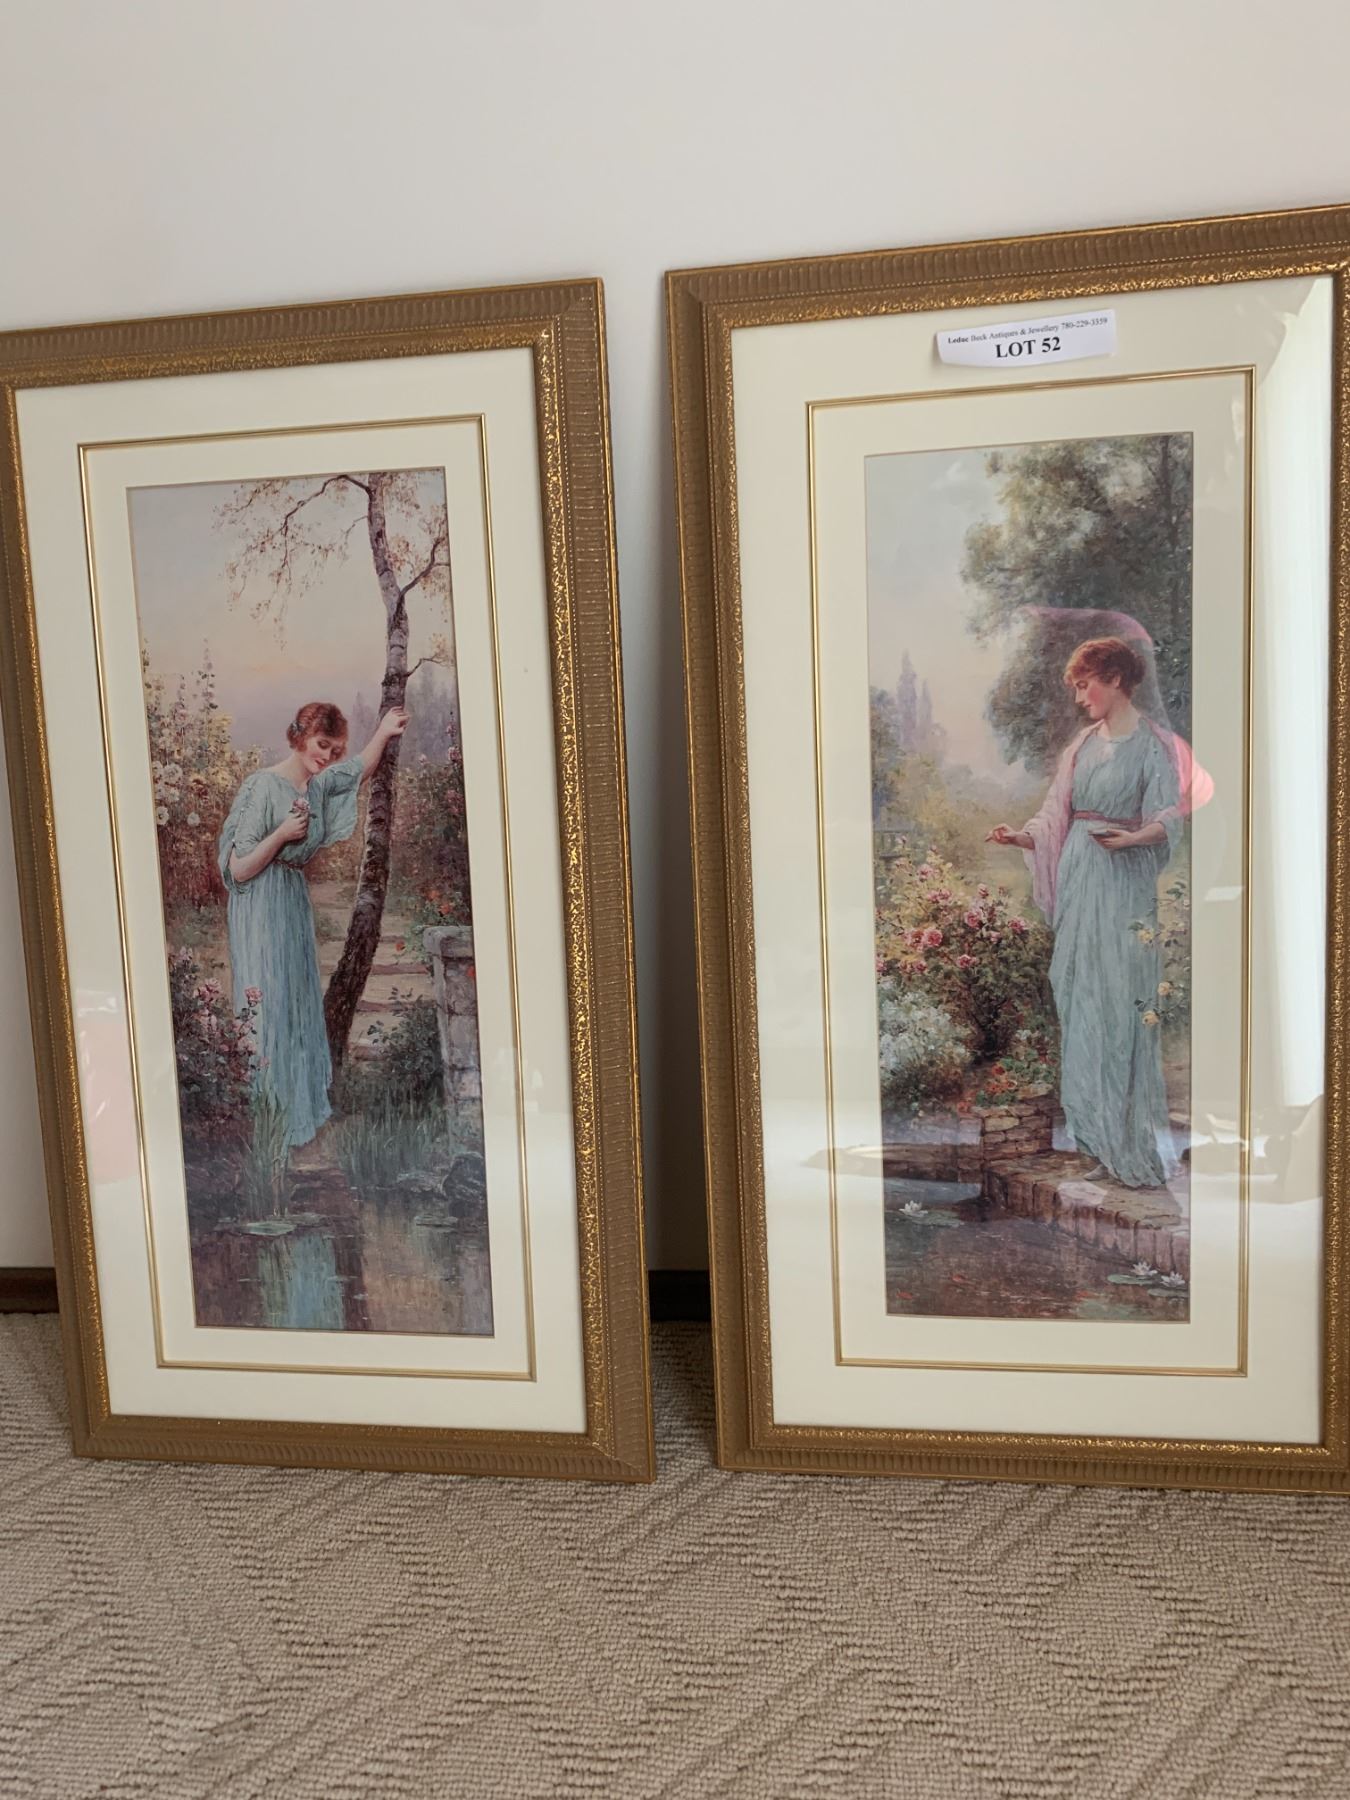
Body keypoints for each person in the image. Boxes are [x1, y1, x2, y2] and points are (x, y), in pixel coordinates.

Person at [986, 637, 1188, 1189]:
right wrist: (1021, 837)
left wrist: (1132, 840)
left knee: (1120, 1003)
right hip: (1080, 874)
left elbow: (1169, 816)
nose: (1079, 698)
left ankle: (1127, 1145)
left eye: (1084, 685)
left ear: (1115, 679)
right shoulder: (1081, 745)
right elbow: (1056, 812)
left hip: (1123, 884)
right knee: (1080, 998)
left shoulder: (1153, 746)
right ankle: (1093, 1140)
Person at [218, 700, 408, 1149]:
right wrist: (282, 834)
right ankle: (268, 1127)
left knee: (297, 1007)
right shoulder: (263, 786)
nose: (327, 756)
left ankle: (297, 1119)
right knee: (269, 1008)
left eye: (334, 750)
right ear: (299, 736)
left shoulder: (318, 787)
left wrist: (384, 731)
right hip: (259, 907)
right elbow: (239, 869)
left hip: (291, 905)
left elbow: (359, 770)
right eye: (322, 745)